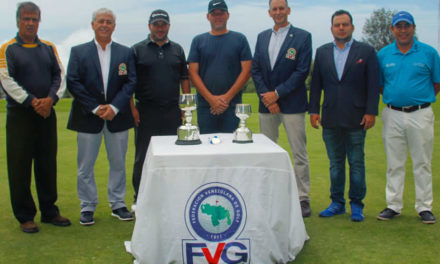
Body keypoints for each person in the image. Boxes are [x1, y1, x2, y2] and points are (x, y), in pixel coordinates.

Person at [0, 1, 71, 233]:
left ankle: (50, 211)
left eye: (34, 19)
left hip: (47, 114)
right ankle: (25, 216)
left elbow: (59, 76)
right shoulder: (8, 48)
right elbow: (7, 80)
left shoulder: (48, 47)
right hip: (20, 115)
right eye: (26, 18)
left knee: (47, 163)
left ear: (39, 21)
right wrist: (32, 101)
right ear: (18, 21)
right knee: (20, 165)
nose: (30, 23)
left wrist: (50, 100)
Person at [66, 8, 136, 225]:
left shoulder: (125, 53)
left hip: (117, 117)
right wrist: (96, 108)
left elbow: (131, 81)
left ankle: (117, 204)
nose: (105, 25)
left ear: (114, 26)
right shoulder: (78, 52)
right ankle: (87, 206)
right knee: (85, 166)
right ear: (93, 24)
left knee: (118, 163)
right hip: (88, 117)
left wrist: (114, 107)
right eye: (100, 21)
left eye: (109, 22)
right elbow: (73, 82)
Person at [309, 10, 380, 222]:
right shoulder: (322, 52)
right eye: (338, 25)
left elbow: (373, 84)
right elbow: (315, 86)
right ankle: (337, 203)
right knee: (336, 163)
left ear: (352, 27)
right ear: (331, 29)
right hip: (330, 117)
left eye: (345, 24)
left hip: (357, 117)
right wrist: (313, 110)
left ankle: (356, 204)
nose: (341, 28)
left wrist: (371, 111)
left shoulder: (366, 51)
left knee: (356, 163)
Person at [376, 11, 440, 224]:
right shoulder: (384, 54)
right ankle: (393, 205)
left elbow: (436, 83)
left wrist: (418, 98)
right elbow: (380, 84)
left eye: (407, 26)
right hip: (392, 113)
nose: (403, 30)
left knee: (422, 162)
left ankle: (424, 207)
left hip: (420, 113)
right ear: (393, 29)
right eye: (398, 26)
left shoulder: (429, 53)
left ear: (413, 28)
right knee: (395, 163)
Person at [251, 0, 312, 217]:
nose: (278, 12)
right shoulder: (262, 37)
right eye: (274, 9)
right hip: (266, 104)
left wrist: (277, 94)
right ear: (269, 13)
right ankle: (269, 192)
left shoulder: (303, 37)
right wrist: (267, 97)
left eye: (282, 8)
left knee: (299, 152)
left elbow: (301, 71)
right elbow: (256, 69)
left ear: (288, 10)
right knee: (267, 151)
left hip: (293, 103)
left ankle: (302, 197)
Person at [130, 9, 190, 211]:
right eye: (156, 24)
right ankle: (140, 197)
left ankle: (171, 196)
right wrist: (132, 109)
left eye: (163, 24)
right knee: (143, 156)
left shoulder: (178, 49)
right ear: (149, 26)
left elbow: (184, 79)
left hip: (172, 110)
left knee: (172, 154)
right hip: (146, 110)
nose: (160, 28)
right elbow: (129, 83)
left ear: (169, 26)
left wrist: (186, 106)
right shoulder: (137, 50)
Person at [188, 0, 252, 134]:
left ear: (228, 15)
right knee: (208, 148)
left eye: (221, 13)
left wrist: (226, 98)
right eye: (214, 14)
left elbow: (246, 71)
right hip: (206, 106)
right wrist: (211, 99)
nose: (218, 17)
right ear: (208, 16)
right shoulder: (198, 41)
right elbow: (193, 73)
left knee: (230, 149)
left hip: (232, 105)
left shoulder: (240, 39)